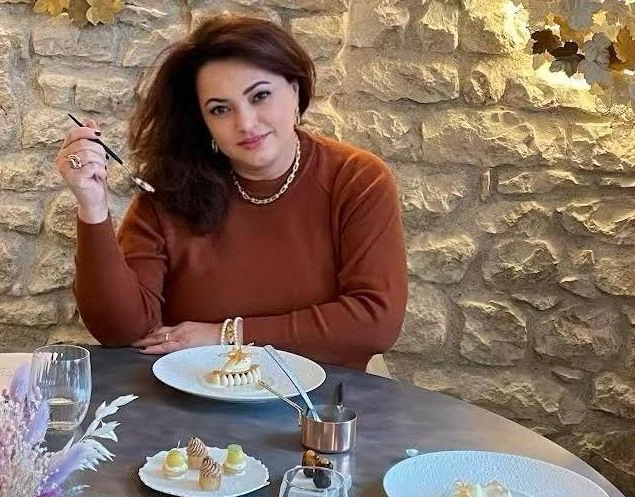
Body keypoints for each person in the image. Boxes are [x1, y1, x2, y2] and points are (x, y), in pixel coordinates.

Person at [54, 15, 408, 370]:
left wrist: (226, 335)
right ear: (203, 121)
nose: (246, 123)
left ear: (295, 90)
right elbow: (119, 331)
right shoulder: (173, 188)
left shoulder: (357, 179)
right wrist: (92, 206)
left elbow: (374, 321)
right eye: (220, 109)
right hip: (195, 392)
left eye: (260, 96)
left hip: (323, 396)